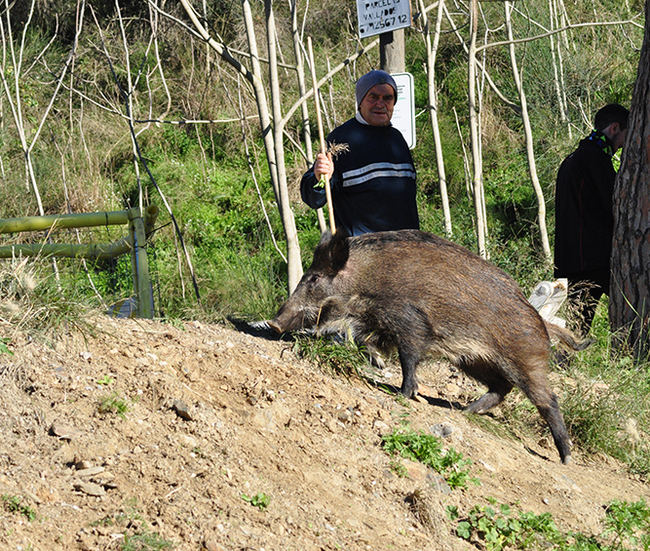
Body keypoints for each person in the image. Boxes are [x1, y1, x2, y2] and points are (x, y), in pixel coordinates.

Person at [300, 69, 419, 236]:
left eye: (387, 98)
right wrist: (319, 177)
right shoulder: (340, 140)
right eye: (373, 97)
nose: (380, 104)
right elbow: (313, 198)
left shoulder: (397, 139)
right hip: (363, 254)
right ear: (360, 101)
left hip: (405, 249)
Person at [554, 103, 629, 334]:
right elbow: (614, 205)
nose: (625, 144)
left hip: (576, 258)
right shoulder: (594, 158)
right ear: (615, 128)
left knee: (577, 327)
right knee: (628, 311)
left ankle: (564, 364)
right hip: (591, 260)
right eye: (626, 135)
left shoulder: (577, 157)